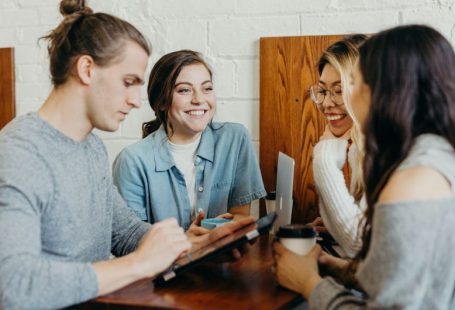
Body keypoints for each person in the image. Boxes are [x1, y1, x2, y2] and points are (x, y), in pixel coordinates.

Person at [0, 1, 253, 309]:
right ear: (87, 69)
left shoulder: (90, 147)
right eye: (128, 82)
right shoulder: (18, 153)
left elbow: (125, 232)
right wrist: (139, 265)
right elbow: (14, 286)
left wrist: (195, 247)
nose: (136, 101)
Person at [274, 24, 455, 309]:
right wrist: (337, 267)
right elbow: (402, 275)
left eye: (352, 83)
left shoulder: (413, 180)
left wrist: (309, 283)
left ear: (387, 91)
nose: (338, 99)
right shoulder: (432, 155)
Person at [112, 50, 266, 230]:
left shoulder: (235, 139)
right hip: (166, 259)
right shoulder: (132, 161)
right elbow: (131, 240)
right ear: (162, 102)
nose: (199, 99)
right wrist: (193, 241)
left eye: (207, 88)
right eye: (185, 90)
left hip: (225, 256)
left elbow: (240, 216)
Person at [310, 35, 367, 257]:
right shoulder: (359, 149)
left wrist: (324, 156)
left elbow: (359, 245)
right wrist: (334, 225)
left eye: (339, 90)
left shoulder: (388, 151)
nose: (326, 103)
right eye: (323, 90)